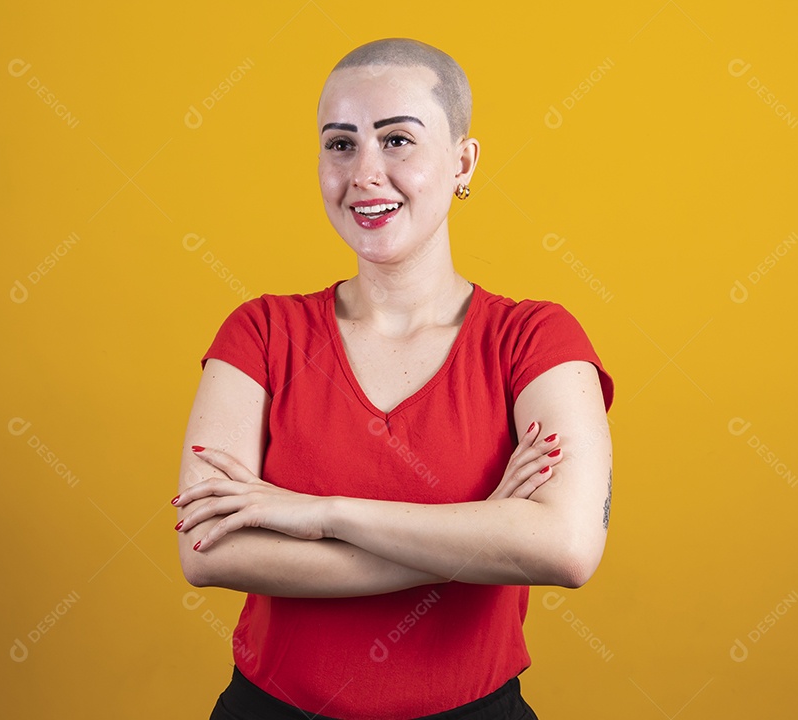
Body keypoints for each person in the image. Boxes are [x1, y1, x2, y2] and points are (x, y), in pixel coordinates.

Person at [173, 37, 614, 720]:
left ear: (463, 161)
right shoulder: (261, 333)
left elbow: (566, 547)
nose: (365, 174)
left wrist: (321, 514)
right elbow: (207, 549)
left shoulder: (535, 339)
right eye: (341, 144)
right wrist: (487, 535)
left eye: (398, 140)